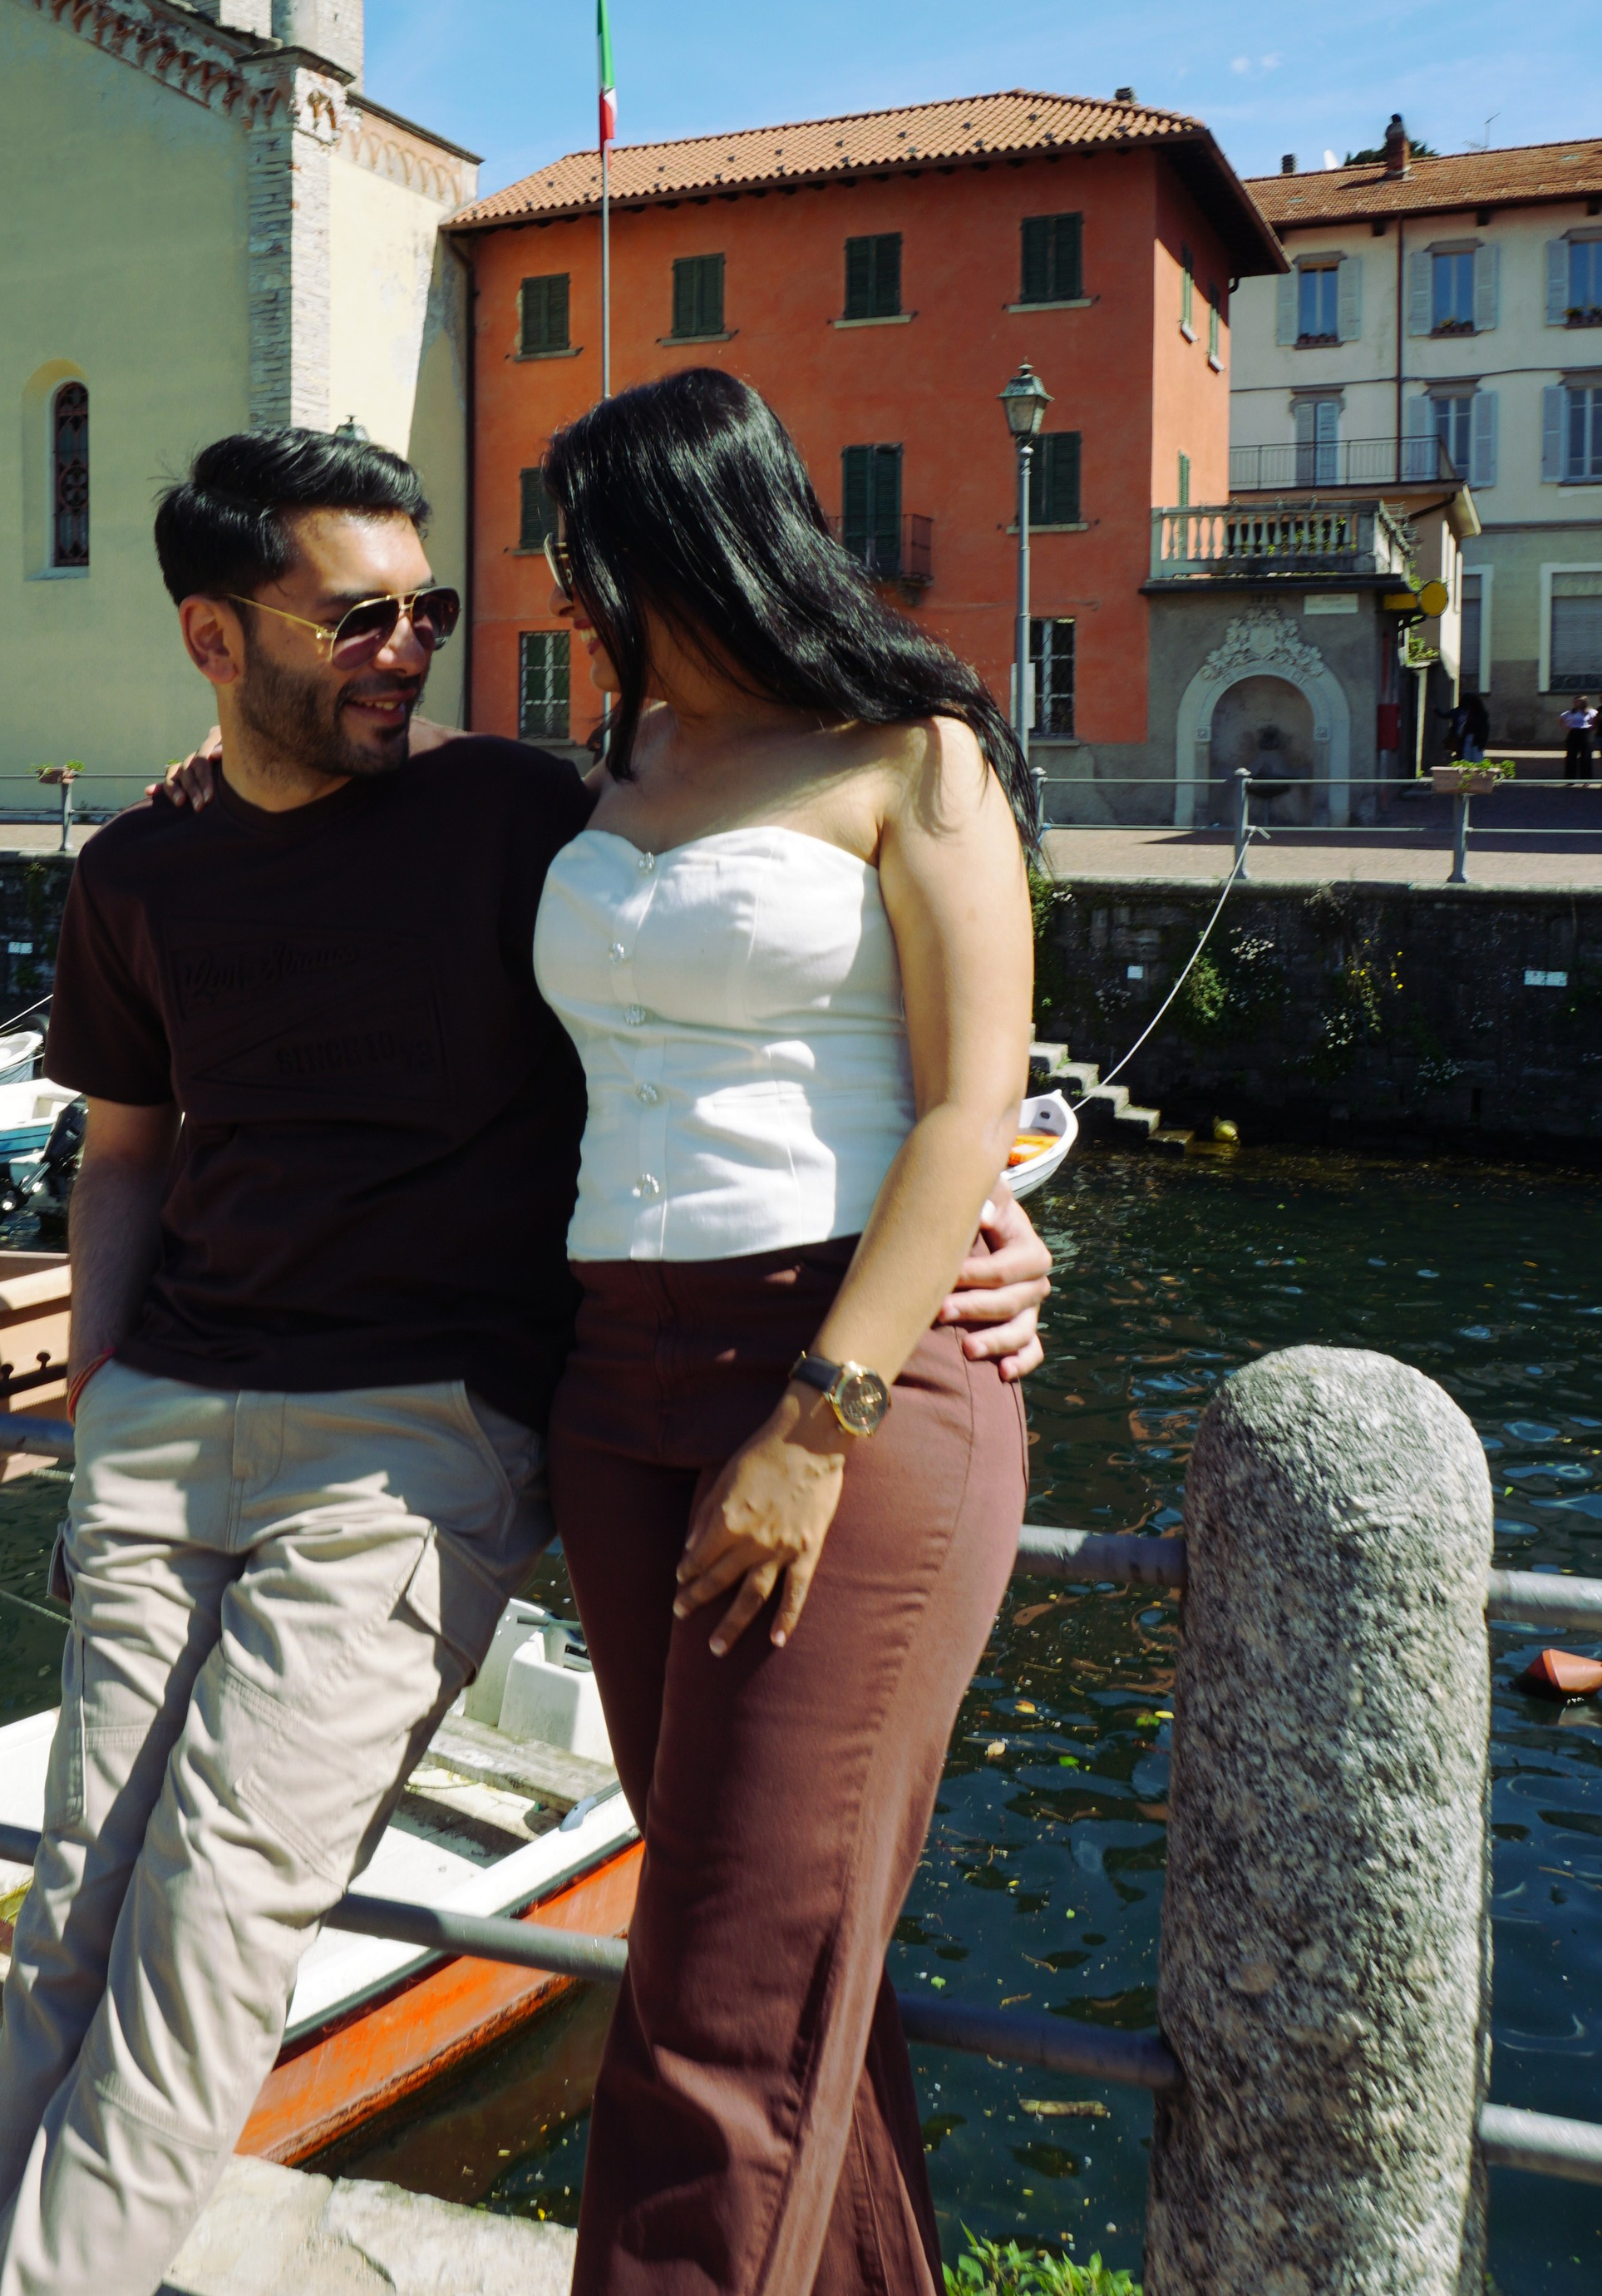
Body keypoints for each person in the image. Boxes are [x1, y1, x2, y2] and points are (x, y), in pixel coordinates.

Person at [0, 424, 1054, 2296]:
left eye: (437, 606)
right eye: (359, 618)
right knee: (84, 1915)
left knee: (597, 1969)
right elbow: (131, 1147)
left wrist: (974, 1251)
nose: (429, 642)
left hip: (493, 1427)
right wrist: (103, 1386)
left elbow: (935, 1065)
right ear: (217, 641)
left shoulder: (560, 801)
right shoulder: (499, 799)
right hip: (518, 1397)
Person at [532, 369, 1040, 2296]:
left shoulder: (910, 750)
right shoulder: (608, 760)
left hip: (843, 1375)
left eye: (588, 544)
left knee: (717, 2014)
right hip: (613, 1376)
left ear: (684, 536)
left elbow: (959, 1102)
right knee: (749, 1954)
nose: (567, 582)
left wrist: (814, 1417)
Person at [1561, 694, 1598, 784]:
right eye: (1575, 701)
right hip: (1574, 733)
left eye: (1579, 701)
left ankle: (1586, 779)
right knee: (1571, 756)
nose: (1576, 703)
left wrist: (1591, 728)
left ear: (1584, 702)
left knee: (1586, 756)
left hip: (1585, 733)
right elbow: (1562, 719)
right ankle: (1570, 779)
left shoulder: (1591, 712)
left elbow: (1596, 721)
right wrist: (1567, 727)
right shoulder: (1571, 712)